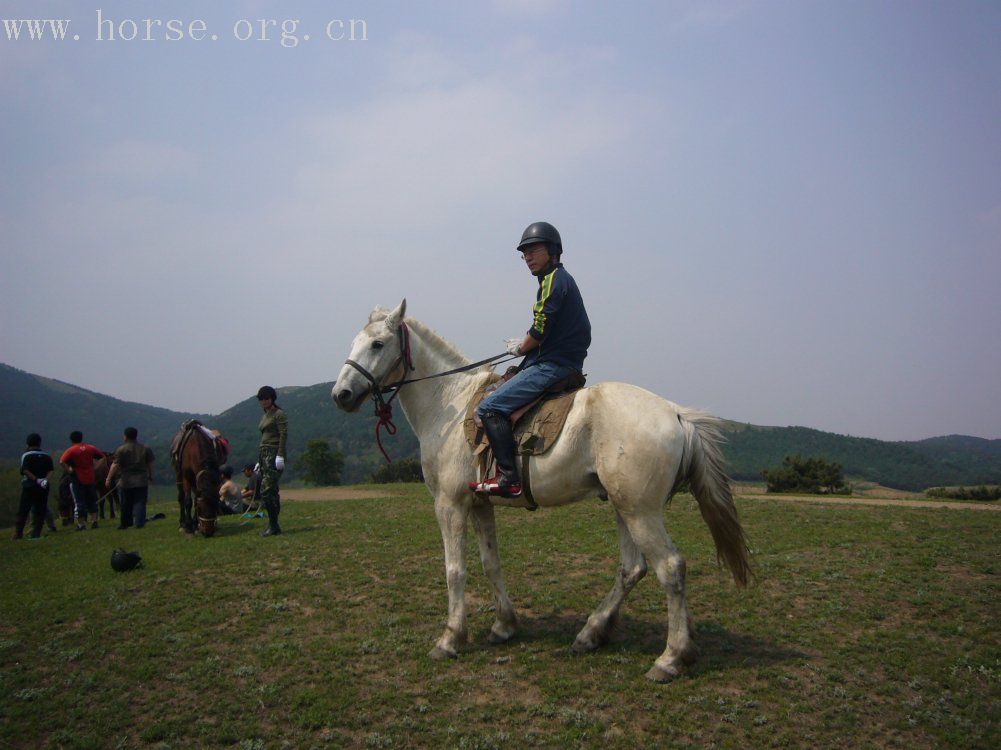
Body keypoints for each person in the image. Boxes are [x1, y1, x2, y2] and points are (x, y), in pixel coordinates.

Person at [470, 221, 591, 497]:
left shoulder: (553, 281)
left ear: (553, 251)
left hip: (553, 365)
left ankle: (508, 478)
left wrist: (521, 346)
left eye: (534, 250)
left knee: (490, 407)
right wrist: (526, 344)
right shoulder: (560, 280)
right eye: (524, 253)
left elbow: (538, 331)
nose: (528, 257)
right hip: (556, 359)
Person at [105, 427, 155, 529]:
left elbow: (115, 465)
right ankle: (139, 522)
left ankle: (125, 523)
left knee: (126, 503)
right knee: (140, 502)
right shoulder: (145, 449)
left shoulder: (121, 449)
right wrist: (150, 475)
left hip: (126, 480)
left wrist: (108, 478)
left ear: (125, 437)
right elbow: (149, 464)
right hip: (141, 480)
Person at [256, 386, 288, 536]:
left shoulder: (278, 414)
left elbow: (283, 434)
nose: (264, 401)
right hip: (264, 454)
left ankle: (273, 524)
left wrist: (280, 454)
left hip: (274, 453)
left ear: (272, 398)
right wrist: (259, 461)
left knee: (266, 490)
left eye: (267, 398)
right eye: (262, 399)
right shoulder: (265, 415)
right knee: (272, 490)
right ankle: (274, 524)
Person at [60, 431, 105, 530]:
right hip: (90, 476)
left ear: (71, 440)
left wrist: (69, 470)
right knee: (92, 499)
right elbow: (102, 457)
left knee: (79, 501)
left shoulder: (71, 450)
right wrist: (95, 468)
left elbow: (62, 461)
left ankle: (81, 524)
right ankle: (94, 521)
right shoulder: (91, 448)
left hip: (77, 477)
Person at [14, 433, 54, 540]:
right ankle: (36, 532)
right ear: (39, 443)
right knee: (40, 509)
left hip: (29, 486)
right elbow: (50, 470)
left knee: (24, 509)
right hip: (43, 487)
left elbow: (25, 470)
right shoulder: (46, 456)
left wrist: (36, 479)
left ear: (28, 443)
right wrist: (45, 480)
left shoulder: (26, 455)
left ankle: (18, 533)